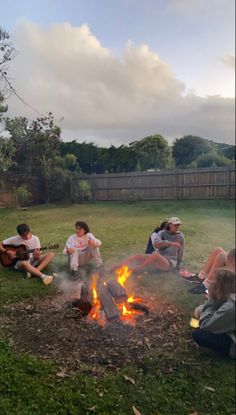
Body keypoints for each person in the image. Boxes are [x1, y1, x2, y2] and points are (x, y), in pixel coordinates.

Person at [112, 217, 184, 274]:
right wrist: (170, 243)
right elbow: (156, 244)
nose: (177, 227)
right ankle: (116, 267)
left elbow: (181, 251)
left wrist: (178, 266)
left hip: (169, 263)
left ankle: (137, 269)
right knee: (137, 256)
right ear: (170, 225)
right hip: (158, 258)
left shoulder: (180, 237)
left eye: (178, 225)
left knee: (155, 254)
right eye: (175, 225)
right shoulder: (162, 233)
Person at [192, 268, 235, 359]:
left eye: (213, 282)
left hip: (232, 343)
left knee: (199, 334)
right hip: (230, 327)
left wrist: (212, 298)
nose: (210, 283)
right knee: (200, 310)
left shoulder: (230, 307)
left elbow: (205, 326)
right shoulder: (230, 296)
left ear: (219, 287)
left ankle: (218, 352)